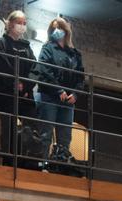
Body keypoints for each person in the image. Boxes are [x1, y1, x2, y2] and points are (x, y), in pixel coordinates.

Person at [31, 17, 84, 166]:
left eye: (59, 28)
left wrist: (76, 93)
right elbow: (44, 71)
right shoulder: (47, 48)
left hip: (68, 99)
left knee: (65, 135)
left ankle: (60, 164)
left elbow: (80, 77)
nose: (56, 31)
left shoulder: (75, 54)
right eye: (53, 28)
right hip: (49, 96)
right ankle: (43, 163)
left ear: (66, 31)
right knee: (46, 132)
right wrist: (58, 90)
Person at [0, 10, 35, 159]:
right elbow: (1, 65)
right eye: (19, 23)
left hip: (25, 94)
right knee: (9, 127)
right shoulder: (1, 43)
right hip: (6, 93)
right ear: (10, 24)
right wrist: (14, 82)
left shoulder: (27, 47)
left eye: (24, 24)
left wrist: (26, 85)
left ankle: (28, 160)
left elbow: (34, 68)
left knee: (32, 126)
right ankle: (9, 160)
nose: (21, 26)